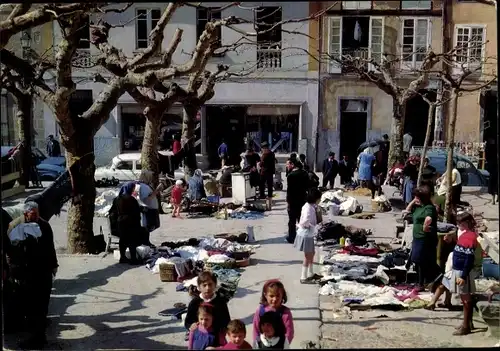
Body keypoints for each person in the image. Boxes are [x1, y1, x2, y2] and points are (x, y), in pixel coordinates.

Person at [6, 201, 58, 348]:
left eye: (37, 214)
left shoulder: (44, 226)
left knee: (39, 305)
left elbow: (50, 247)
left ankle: (37, 338)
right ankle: (35, 334)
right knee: (31, 306)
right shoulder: (17, 226)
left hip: (42, 272)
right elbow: (12, 251)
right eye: (32, 215)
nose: (35, 217)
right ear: (25, 214)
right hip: (27, 273)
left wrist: (54, 265)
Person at [440, 212, 481, 335]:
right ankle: (468, 323)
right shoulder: (465, 234)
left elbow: (469, 259)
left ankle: (466, 327)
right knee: (464, 299)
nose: (459, 225)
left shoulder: (470, 237)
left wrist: (463, 276)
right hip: (459, 270)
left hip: (462, 272)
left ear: (468, 223)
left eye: (461, 223)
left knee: (466, 299)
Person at [404, 185, 439, 292]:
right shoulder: (418, 207)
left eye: (418, 197)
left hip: (425, 238)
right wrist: (414, 201)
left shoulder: (429, 207)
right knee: (417, 260)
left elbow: (429, 217)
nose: (416, 199)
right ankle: (423, 281)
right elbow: (407, 211)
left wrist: (425, 224)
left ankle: (424, 282)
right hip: (417, 237)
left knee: (420, 260)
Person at [185, 271, 231, 338]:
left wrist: (224, 329)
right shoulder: (194, 303)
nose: (207, 288)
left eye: (210, 284)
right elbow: (188, 321)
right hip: (199, 335)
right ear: (199, 287)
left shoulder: (220, 301)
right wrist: (191, 325)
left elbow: (226, 320)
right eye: (204, 285)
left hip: (216, 336)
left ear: (215, 285)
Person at [252, 279, 294, 345]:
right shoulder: (260, 310)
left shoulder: (285, 313)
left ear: (282, 295)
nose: (275, 299)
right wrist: (256, 343)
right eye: (271, 296)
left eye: (278, 295)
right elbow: (256, 329)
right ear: (265, 295)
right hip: (263, 343)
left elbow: (289, 332)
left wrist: (283, 344)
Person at [294, 189, 322, 284]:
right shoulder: (308, 208)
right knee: (308, 255)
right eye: (319, 198)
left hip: (308, 233)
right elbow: (305, 220)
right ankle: (303, 277)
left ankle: (310, 273)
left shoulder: (311, 206)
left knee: (312, 253)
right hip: (305, 233)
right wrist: (312, 226)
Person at [114, 181, 143, 264]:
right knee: (131, 240)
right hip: (130, 221)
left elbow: (114, 211)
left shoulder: (118, 198)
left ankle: (122, 257)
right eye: (133, 188)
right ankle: (133, 259)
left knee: (122, 239)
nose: (134, 189)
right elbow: (136, 211)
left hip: (120, 221)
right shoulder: (131, 199)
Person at [135, 170, 163, 246]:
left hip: (148, 210)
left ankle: (146, 241)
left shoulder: (141, 185)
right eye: (150, 177)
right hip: (146, 211)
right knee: (146, 226)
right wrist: (157, 190)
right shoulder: (142, 186)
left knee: (147, 227)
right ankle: (144, 242)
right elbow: (146, 200)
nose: (151, 179)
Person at [285, 159, 309, 244]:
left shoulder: (291, 175)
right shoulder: (305, 174)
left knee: (292, 220)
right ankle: (303, 237)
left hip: (293, 201)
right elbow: (307, 187)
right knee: (301, 219)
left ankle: (292, 237)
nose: (287, 166)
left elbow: (289, 190)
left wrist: (288, 201)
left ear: (293, 165)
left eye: (288, 164)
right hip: (302, 199)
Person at [259, 141, 276, 209]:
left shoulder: (265, 155)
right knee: (269, 185)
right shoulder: (272, 153)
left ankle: (262, 196)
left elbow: (261, 164)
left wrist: (259, 163)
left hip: (264, 172)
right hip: (270, 172)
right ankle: (269, 197)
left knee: (262, 184)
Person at [485, 137, 498, 204]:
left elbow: (487, 156)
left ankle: (494, 199)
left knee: (493, 183)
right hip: (493, 167)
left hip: (493, 167)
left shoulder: (489, 146)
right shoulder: (491, 146)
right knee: (494, 183)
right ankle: (494, 199)